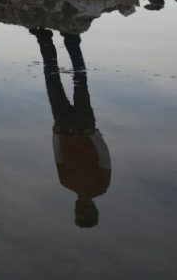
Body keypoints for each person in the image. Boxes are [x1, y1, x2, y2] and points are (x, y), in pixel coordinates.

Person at [30, 28, 111, 228]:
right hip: (85, 129)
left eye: (80, 211)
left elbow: (59, 157)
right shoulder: (101, 186)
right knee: (80, 80)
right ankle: (71, 39)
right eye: (86, 211)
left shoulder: (66, 182)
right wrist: (94, 135)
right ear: (93, 209)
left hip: (63, 128)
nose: (83, 207)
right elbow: (104, 159)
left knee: (52, 80)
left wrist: (55, 134)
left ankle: (44, 39)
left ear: (75, 209)